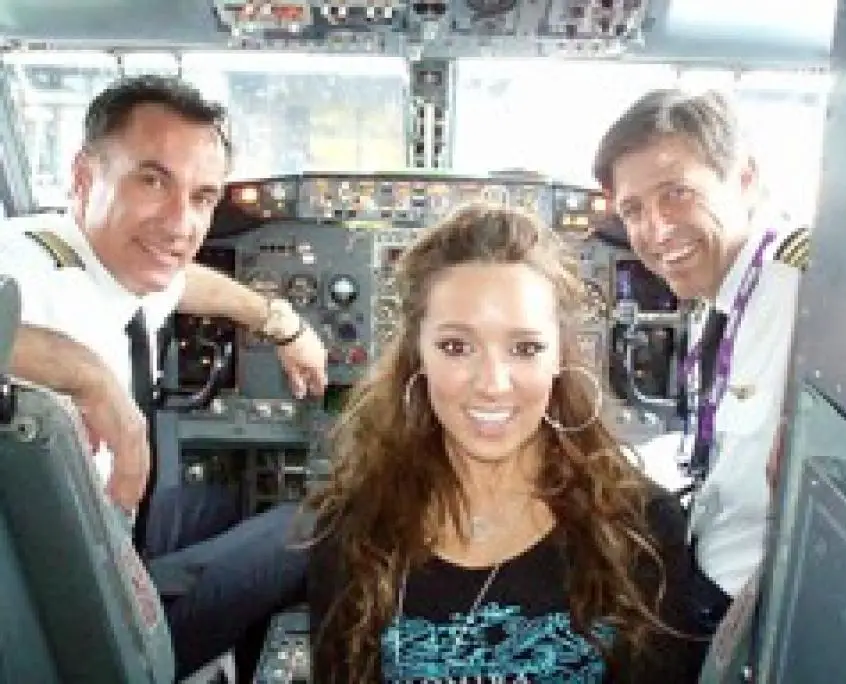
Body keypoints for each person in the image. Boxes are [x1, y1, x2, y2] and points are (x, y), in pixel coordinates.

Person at [0, 75, 326, 678]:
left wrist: (280, 323)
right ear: (83, 177)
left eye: (202, 198)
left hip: (107, 526)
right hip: (82, 613)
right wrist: (89, 377)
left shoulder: (113, 262)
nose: (180, 225)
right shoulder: (24, 264)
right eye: (152, 181)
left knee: (236, 503)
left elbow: (182, 284)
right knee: (317, 525)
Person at [303, 204, 705, 682]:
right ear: (418, 355)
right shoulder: (353, 528)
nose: (492, 384)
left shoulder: (642, 529)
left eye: (525, 348)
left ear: (559, 358)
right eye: (456, 346)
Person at [591, 88, 808, 633]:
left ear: (745, 179)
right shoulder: (716, 293)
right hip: (706, 564)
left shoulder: (807, 292)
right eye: (633, 210)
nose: (656, 232)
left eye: (677, 194)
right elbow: (722, 450)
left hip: (756, 611)